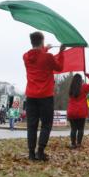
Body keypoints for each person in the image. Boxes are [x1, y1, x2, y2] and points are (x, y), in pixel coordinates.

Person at [23, 31, 66, 161]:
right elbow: (59, 67)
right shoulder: (48, 57)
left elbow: (37, 55)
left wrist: (46, 48)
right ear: (42, 41)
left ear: (32, 42)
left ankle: (31, 153)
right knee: (46, 124)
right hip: (45, 96)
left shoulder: (25, 56)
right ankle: (40, 152)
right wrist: (62, 52)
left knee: (32, 125)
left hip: (30, 96)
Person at [67, 73, 89, 149]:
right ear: (80, 81)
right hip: (81, 112)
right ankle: (79, 144)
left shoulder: (71, 89)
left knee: (73, 129)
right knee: (80, 129)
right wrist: (88, 75)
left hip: (72, 112)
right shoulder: (84, 87)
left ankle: (73, 144)